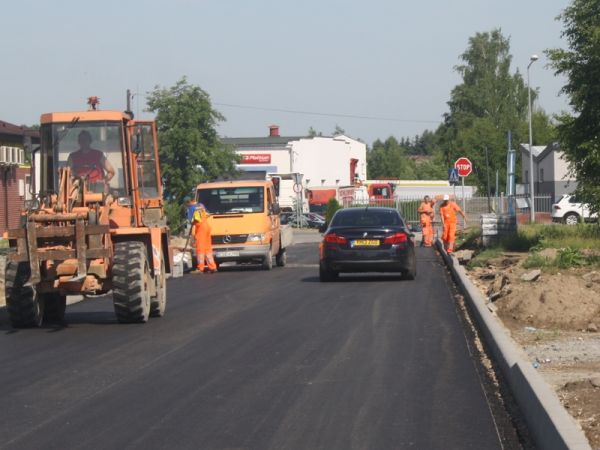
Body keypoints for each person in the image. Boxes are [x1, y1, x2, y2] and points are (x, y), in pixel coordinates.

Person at [191, 204, 217, 273]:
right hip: (207, 227)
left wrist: (192, 222)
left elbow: (196, 220)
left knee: (200, 250)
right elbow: (208, 215)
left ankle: (200, 268)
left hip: (201, 229)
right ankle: (212, 267)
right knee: (207, 249)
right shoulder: (203, 210)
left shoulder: (196, 211)